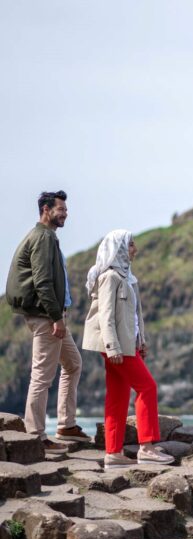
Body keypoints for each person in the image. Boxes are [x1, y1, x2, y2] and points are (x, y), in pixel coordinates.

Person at [5, 190, 90, 454]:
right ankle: (36, 435)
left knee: (73, 364)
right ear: (46, 210)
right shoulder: (42, 238)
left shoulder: (47, 237)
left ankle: (65, 425)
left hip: (52, 315)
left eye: (65, 209)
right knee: (41, 376)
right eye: (61, 209)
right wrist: (56, 318)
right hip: (46, 318)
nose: (65, 213)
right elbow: (42, 282)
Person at [82, 229, 174, 469]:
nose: (135, 249)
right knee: (147, 387)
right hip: (116, 348)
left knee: (118, 397)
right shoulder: (110, 277)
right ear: (119, 248)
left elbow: (134, 317)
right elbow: (106, 317)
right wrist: (112, 348)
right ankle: (147, 447)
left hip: (126, 347)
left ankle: (113, 453)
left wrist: (140, 340)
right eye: (131, 244)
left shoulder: (128, 278)